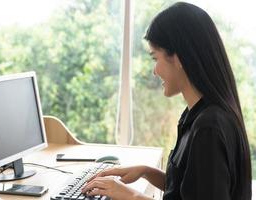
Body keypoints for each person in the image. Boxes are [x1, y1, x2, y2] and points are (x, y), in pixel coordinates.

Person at [81, 2, 252, 200]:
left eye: (155, 58)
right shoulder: (196, 114)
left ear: (178, 58)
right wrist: (145, 171)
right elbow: (190, 190)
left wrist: (130, 196)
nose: (155, 71)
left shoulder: (209, 128)